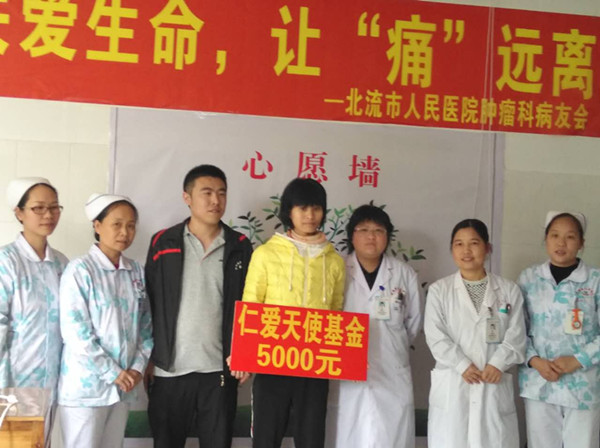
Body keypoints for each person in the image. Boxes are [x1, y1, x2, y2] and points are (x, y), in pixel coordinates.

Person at [145, 165, 252, 448]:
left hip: (219, 370)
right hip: (169, 369)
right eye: (207, 193)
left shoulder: (240, 245)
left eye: (221, 193)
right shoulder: (163, 242)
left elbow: (249, 305)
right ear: (187, 197)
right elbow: (149, 302)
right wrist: (147, 358)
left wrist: (244, 354)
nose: (216, 201)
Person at [242, 177, 345, 448]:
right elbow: (252, 305)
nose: (310, 215)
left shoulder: (334, 261)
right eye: (302, 208)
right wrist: (244, 354)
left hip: (314, 365)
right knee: (266, 438)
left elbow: (335, 312)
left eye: (316, 208)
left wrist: (344, 354)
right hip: (271, 360)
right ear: (289, 211)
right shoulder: (265, 254)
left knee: (311, 439)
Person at [58, 193, 153, 448]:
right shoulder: (80, 270)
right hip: (86, 390)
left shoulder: (136, 271)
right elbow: (76, 332)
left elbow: (146, 326)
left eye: (131, 225)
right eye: (117, 224)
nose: (125, 232)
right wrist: (112, 372)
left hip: (123, 387)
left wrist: (137, 367)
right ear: (97, 226)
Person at [424, 218, 526, 448]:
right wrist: (461, 364)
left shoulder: (509, 290)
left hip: (493, 382)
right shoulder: (439, 290)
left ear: (487, 248)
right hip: (454, 382)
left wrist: (498, 363)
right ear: (452, 249)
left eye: (474, 243)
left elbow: (517, 335)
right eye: (459, 244)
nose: (466, 250)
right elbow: (435, 336)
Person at [327, 205, 421, 448]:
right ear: (352, 235)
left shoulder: (403, 274)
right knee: (347, 436)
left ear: (387, 236)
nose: (371, 236)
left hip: (391, 372)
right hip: (346, 375)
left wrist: (390, 344)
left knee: (390, 438)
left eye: (378, 230)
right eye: (364, 230)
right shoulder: (336, 269)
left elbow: (413, 323)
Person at [519, 211, 600, 448]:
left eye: (570, 237)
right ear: (546, 239)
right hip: (539, 382)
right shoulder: (529, 279)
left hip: (583, 384)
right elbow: (516, 329)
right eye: (554, 235)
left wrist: (577, 360)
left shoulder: (595, 280)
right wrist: (534, 360)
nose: (561, 243)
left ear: (581, 243)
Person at [0, 177, 67, 446]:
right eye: (38, 208)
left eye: (54, 207)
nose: (48, 215)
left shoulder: (62, 263)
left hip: (54, 380)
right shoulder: (6, 261)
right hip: (17, 381)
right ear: (19, 212)